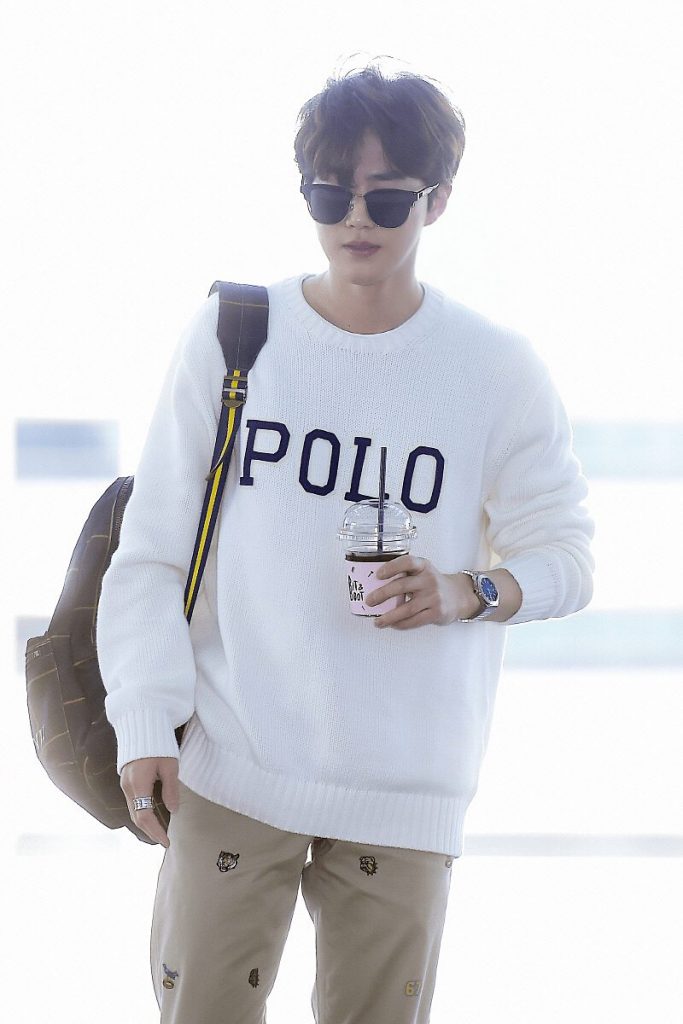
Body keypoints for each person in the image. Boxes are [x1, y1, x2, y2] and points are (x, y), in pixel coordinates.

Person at [97, 63, 594, 1024]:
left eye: (387, 198)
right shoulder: (236, 335)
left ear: (436, 200)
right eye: (330, 195)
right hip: (234, 763)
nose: (356, 219)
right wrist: (144, 723)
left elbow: (566, 557)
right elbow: (153, 551)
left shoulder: (494, 370)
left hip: (404, 789)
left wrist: (465, 591)